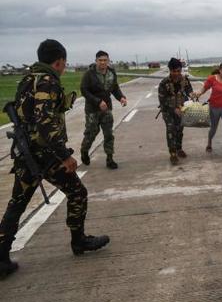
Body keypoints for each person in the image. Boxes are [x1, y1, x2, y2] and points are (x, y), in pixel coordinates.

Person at [0, 39, 110, 279]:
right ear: (59, 61)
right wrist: (64, 156)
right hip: (44, 155)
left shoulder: (27, 79)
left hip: (25, 153)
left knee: (17, 204)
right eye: (64, 63)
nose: (63, 67)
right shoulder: (48, 82)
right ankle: (78, 240)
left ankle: (1, 257)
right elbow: (44, 122)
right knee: (77, 192)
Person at [80, 50, 127, 169]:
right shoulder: (89, 74)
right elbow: (84, 90)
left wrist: (121, 97)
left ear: (108, 61)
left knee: (108, 134)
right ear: (96, 61)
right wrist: (98, 101)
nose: (102, 62)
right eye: (100, 60)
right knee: (91, 133)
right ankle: (84, 151)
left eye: (105, 60)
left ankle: (110, 158)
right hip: (92, 110)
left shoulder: (111, 73)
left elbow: (115, 88)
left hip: (106, 110)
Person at [158, 58, 193, 165]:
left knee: (179, 130)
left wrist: (192, 95)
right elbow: (162, 100)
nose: (176, 73)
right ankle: (172, 153)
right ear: (170, 70)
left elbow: (189, 91)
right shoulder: (164, 83)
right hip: (168, 111)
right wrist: (174, 109)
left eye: (178, 71)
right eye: (174, 71)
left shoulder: (185, 80)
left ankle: (179, 148)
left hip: (181, 109)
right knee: (171, 130)